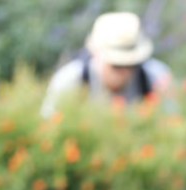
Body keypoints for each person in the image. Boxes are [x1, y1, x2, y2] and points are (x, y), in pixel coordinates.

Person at [40, 12, 172, 118]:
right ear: (96, 54)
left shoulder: (155, 76)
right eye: (117, 65)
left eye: (133, 64)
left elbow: (174, 123)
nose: (126, 73)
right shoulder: (70, 80)